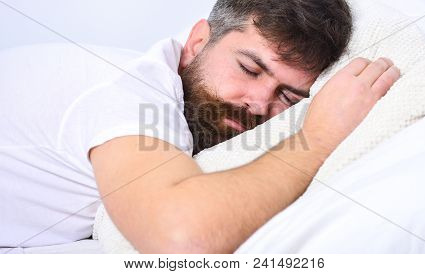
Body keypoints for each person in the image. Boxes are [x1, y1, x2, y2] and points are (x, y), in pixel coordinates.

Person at [0, 0, 400, 253]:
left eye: (289, 97)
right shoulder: (130, 93)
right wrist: (320, 136)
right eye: (249, 68)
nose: (259, 103)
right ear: (197, 43)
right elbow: (181, 240)